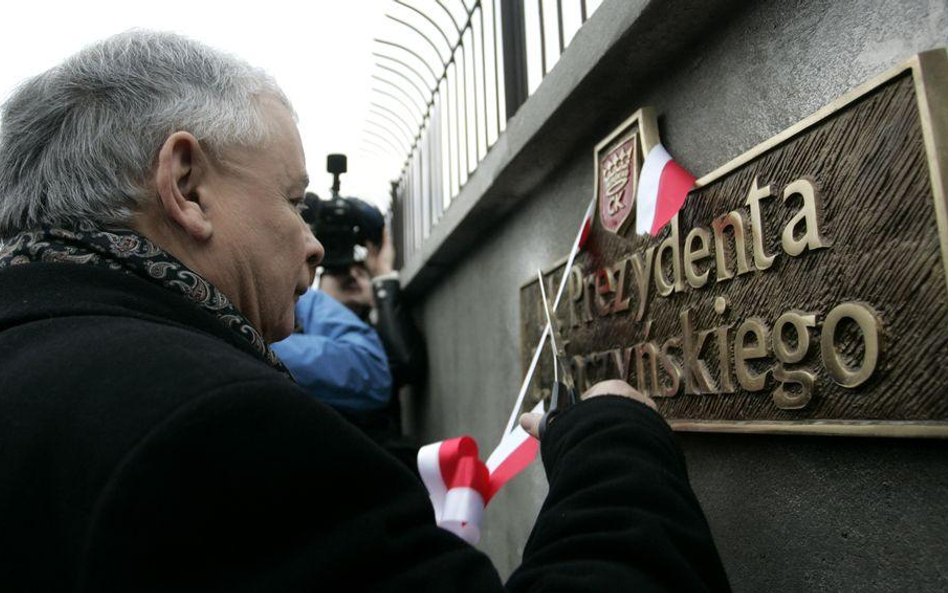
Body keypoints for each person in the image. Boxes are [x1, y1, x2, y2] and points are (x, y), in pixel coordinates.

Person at [0, 30, 730, 591]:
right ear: (187, 186)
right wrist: (619, 446)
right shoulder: (209, 429)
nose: (315, 244)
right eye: (292, 200)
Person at [273, 190, 425, 467]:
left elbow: (405, 364)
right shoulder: (293, 311)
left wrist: (383, 284)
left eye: (359, 272)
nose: (352, 277)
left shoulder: (368, 324)